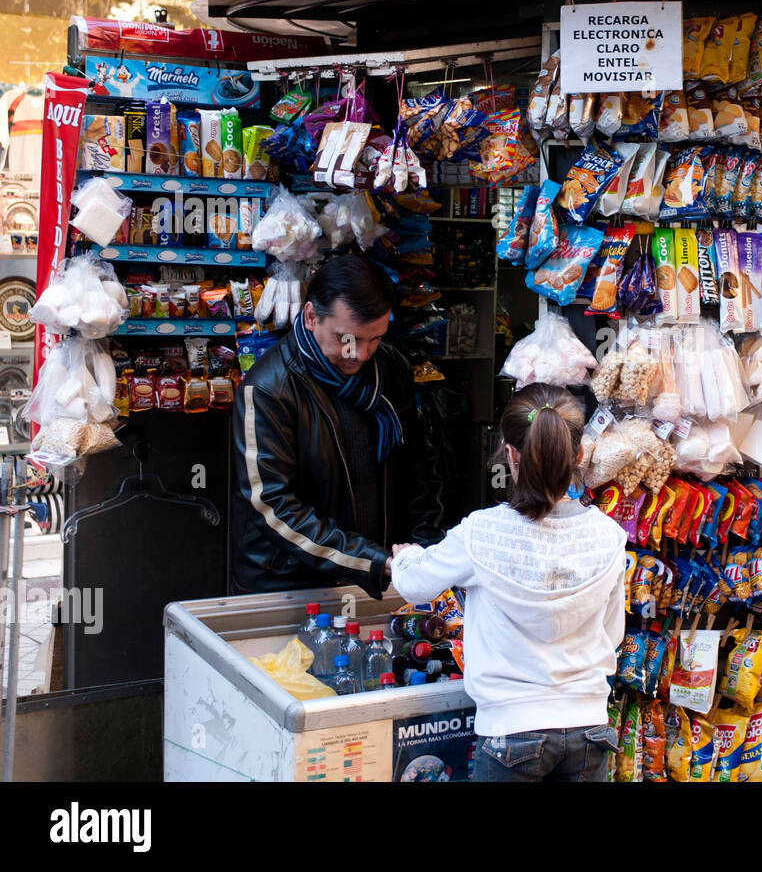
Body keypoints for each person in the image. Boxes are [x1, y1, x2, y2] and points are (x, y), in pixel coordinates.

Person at [389, 383, 626, 783]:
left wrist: (404, 555)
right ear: (580, 455)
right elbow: (612, 633)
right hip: (589, 729)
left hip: (511, 732)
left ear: (510, 455)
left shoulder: (483, 533)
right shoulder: (608, 536)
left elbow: (414, 583)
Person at [231, 254, 443, 599]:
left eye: (374, 339)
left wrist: (426, 547)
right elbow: (275, 507)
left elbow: (420, 468)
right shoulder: (269, 388)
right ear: (312, 316)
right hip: (290, 586)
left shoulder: (391, 369)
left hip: (382, 576)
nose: (359, 354)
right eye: (348, 339)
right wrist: (371, 562)